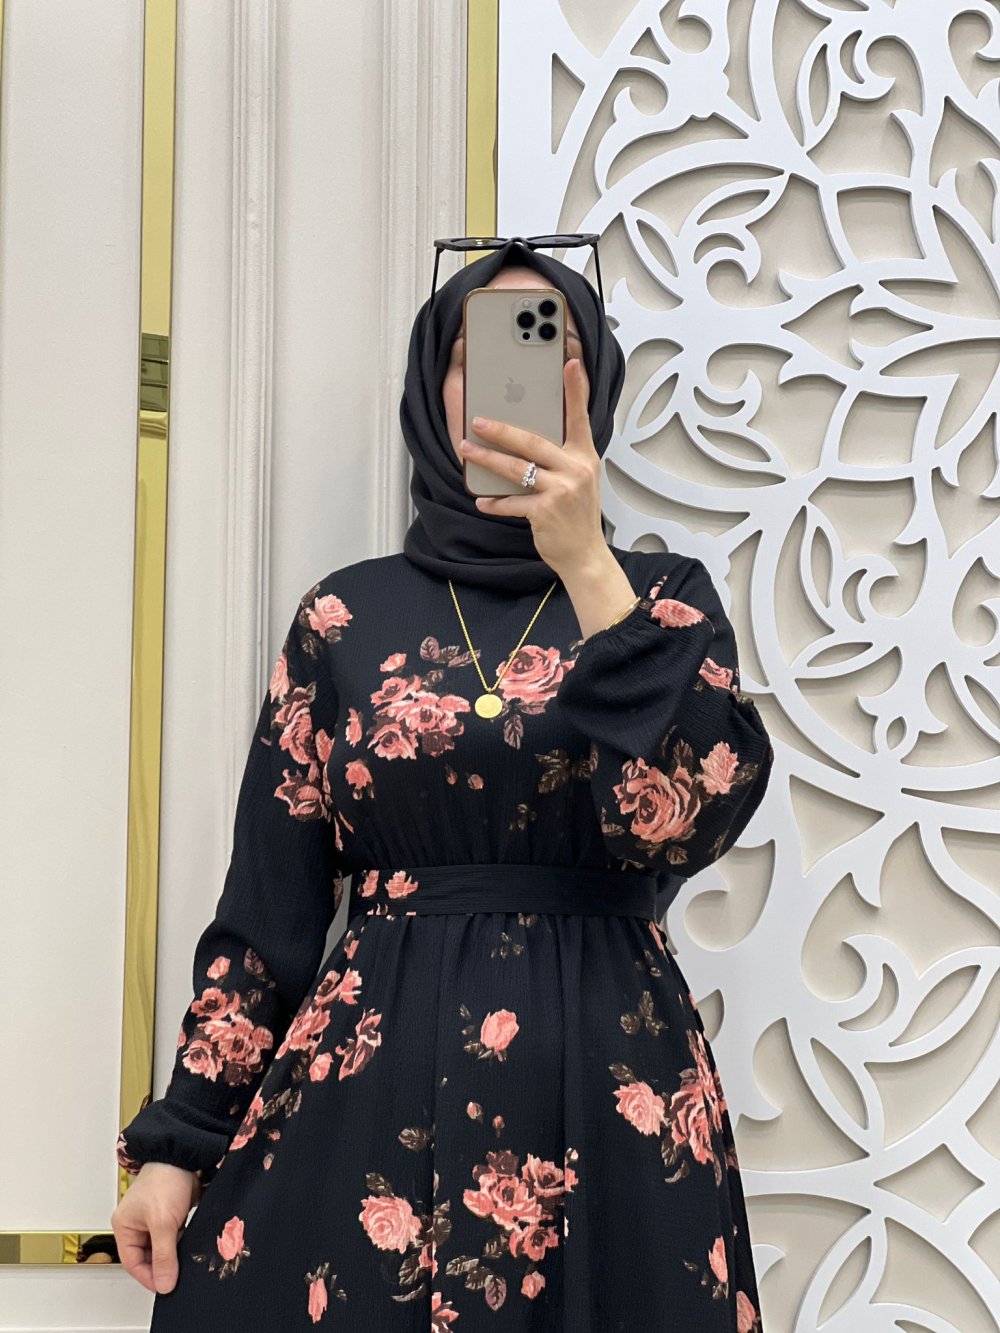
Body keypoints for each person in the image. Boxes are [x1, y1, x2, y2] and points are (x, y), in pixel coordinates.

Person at [111, 238, 774, 1331]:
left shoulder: (662, 599)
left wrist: (588, 565)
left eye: (549, 350)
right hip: (368, 1087)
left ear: (594, 386)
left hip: (611, 1081)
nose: (514, 381)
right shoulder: (345, 616)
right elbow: (269, 909)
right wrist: (179, 1145)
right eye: (480, 354)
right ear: (433, 388)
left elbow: (689, 823)